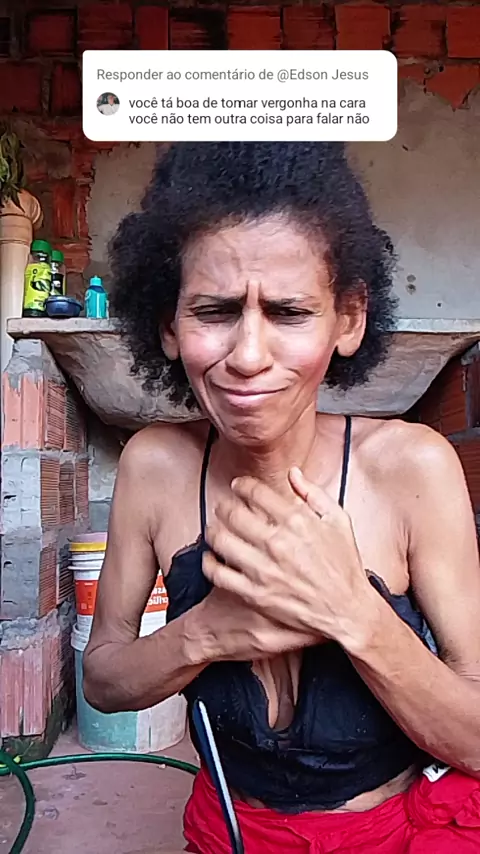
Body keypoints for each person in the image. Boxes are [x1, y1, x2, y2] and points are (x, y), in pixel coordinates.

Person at [83, 142, 480, 853]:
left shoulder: (413, 469)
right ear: (169, 326)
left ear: (348, 319)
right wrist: (208, 633)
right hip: (227, 831)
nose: (248, 355)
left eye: (290, 312)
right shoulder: (154, 467)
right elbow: (104, 682)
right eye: (214, 311)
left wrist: (355, 613)